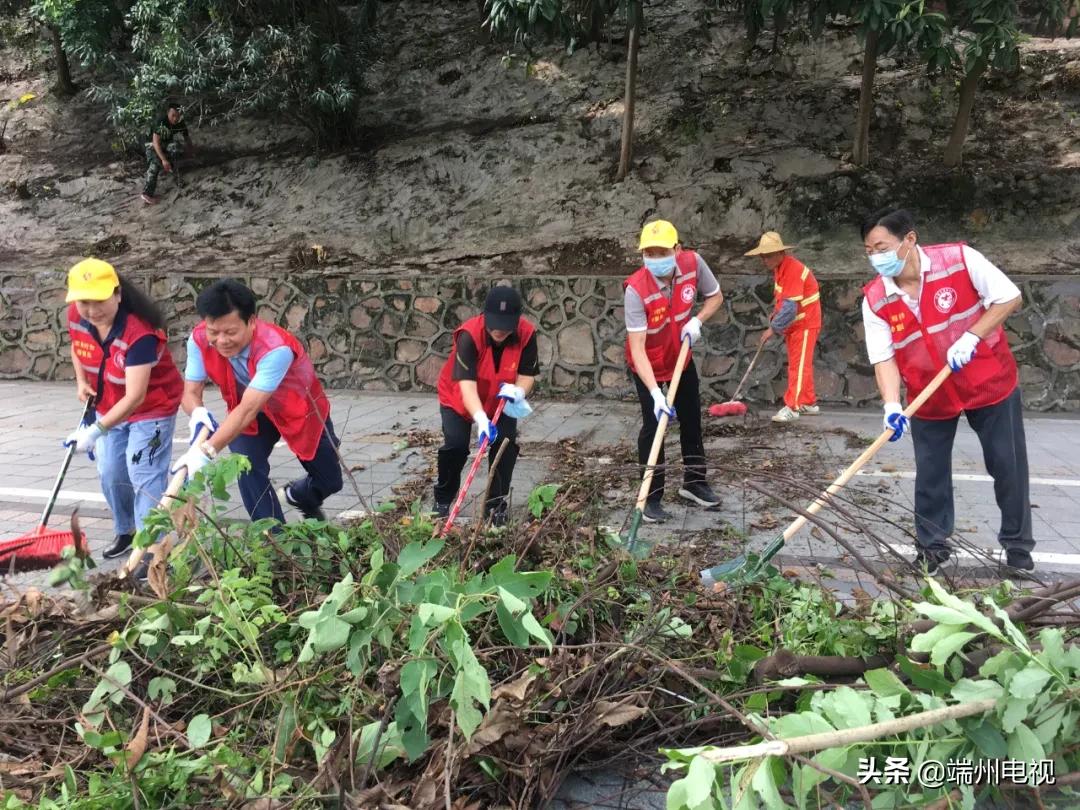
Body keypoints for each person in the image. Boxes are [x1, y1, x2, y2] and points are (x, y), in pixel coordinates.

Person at [860, 207, 1034, 574]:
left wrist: (972, 335)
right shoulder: (875, 298)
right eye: (869, 251)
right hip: (928, 392)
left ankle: (1018, 547)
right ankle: (932, 546)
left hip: (987, 379)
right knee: (930, 472)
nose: (877, 258)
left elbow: (1008, 296)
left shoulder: (958, 259)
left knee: (1007, 464)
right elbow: (883, 358)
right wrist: (891, 405)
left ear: (909, 239)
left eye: (882, 247)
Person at [173, 279, 342, 523]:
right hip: (249, 415)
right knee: (246, 466)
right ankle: (275, 542)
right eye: (214, 331)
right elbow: (190, 392)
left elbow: (246, 411)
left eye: (230, 332)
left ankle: (299, 495)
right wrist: (197, 414)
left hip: (298, 410)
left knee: (330, 480)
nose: (221, 341)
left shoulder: (276, 349)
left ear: (251, 321)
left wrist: (206, 451)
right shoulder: (198, 340)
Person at [64, 258, 184, 559]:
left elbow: (135, 396)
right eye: (84, 302)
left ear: (117, 294)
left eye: (99, 300)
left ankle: (152, 552)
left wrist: (95, 430)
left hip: (151, 409)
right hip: (108, 405)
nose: (92, 310)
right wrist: (81, 381)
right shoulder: (78, 318)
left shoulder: (139, 333)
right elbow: (78, 347)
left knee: (143, 472)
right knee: (111, 471)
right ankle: (127, 531)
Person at [624, 220, 724, 523]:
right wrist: (655, 393)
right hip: (648, 365)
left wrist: (698, 321)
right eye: (649, 253)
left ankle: (694, 483)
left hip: (680, 357)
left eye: (661, 251)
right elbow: (637, 347)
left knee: (692, 418)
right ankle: (651, 497)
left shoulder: (693, 264)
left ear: (676, 249)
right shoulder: (635, 289)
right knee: (653, 427)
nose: (655, 258)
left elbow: (715, 296)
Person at [434, 286, 539, 526]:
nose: (498, 330)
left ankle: (496, 504)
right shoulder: (469, 335)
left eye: (505, 325)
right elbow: (467, 385)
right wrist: (481, 419)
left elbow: (527, 374)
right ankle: (442, 498)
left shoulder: (526, 334)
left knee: (505, 445)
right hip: (458, 397)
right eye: (494, 324)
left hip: (500, 400)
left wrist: (519, 391)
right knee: (456, 446)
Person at [745, 231, 822, 423]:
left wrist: (772, 329)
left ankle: (793, 407)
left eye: (769, 255)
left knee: (798, 366)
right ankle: (808, 402)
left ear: (780, 253)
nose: (765, 259)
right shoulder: (781, 268)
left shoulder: (793, 269)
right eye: (763, 256)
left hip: (805, 323)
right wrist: (774, 322)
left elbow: (789, 309)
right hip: (797, 325)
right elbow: (783, 303)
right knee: (801, 364)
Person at [141, 101, 193, 205]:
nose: (175, 118)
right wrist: (164, 160)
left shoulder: (180, 122)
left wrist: (191, 151)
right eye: (173, 115)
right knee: (155, 164)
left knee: (176, 148)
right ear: (168, 113)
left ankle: (176, 176)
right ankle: (147, 193)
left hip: (165, 144)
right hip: (150, 145)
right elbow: (155, 143)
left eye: (177, 116)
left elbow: (187, 138)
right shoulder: (161, 122)